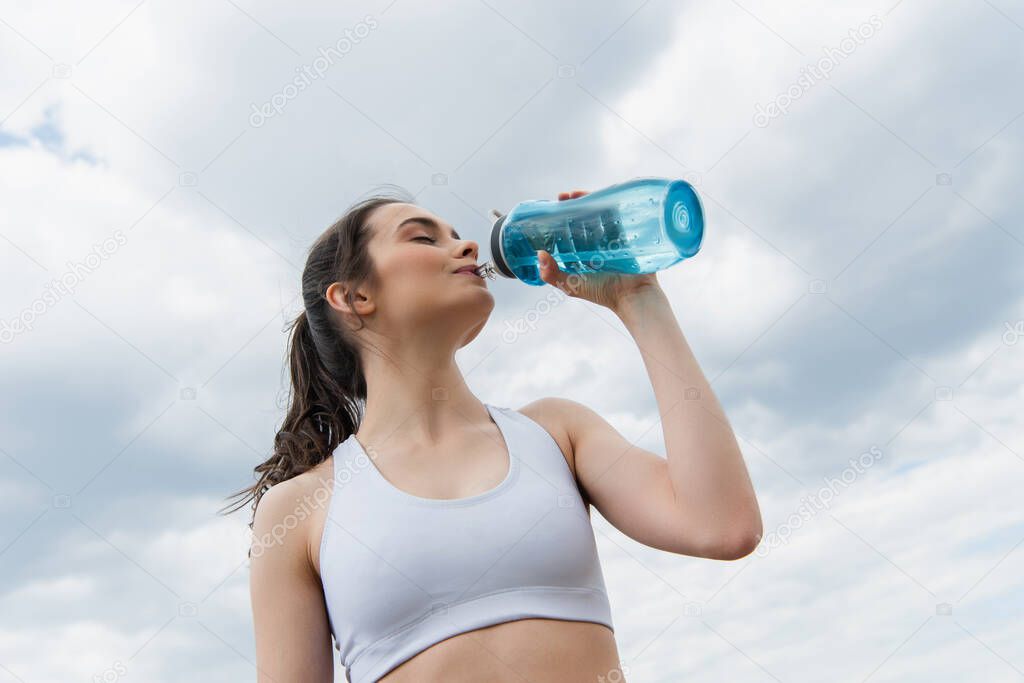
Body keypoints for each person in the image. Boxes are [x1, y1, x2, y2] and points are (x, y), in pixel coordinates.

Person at [222, 185, 762, 682]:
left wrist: (639, 298)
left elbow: (722, 526)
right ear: (354, 297)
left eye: (458, 236)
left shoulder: (556, 433)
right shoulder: (300, 509)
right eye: (422, 237)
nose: (466, 247)